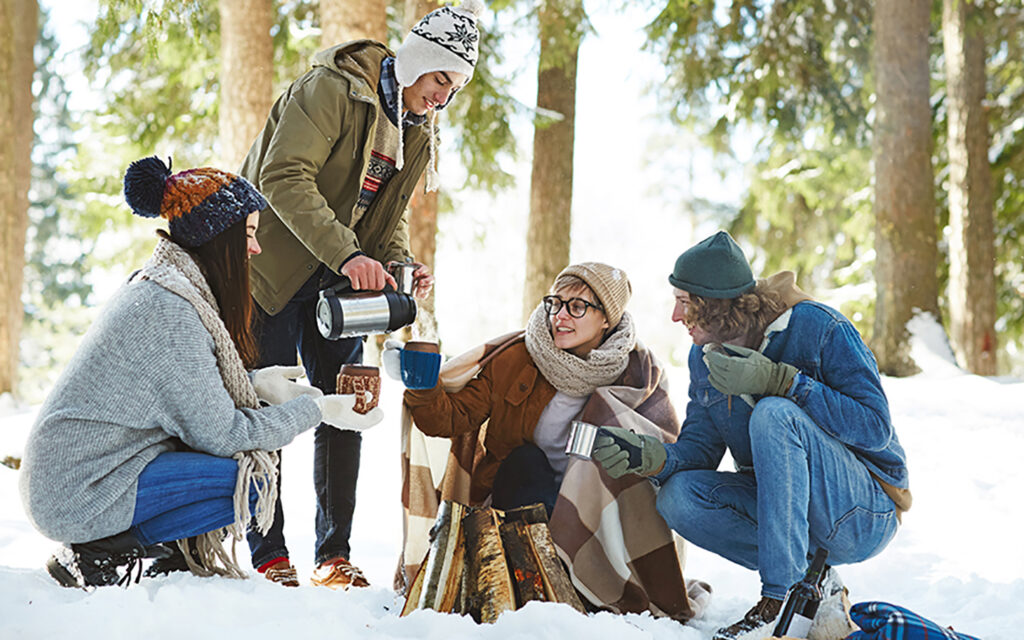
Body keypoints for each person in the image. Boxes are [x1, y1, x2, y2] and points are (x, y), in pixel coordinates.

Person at [18, 156, 380, 589]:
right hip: (77, 492)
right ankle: (100, 552)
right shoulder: (170, 311)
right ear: (219, 238)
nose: (256, 248)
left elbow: (183, 394)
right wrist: (316, 409)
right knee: (251, 481)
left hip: (76, 479)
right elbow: (223, 435)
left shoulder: (164, 288)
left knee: (231, 466)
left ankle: (145, 549)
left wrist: (255, 386)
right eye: (248, 234)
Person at [237, 0, 485, 590]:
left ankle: (334, 555)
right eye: (440, 80)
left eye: (455, 89)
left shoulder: (417, 130)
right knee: (268, 405)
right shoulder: (331, 89)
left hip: (338, 287)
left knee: (345, 408)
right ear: (419, 59)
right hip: (269, 271)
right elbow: (282, 177)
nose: (443, 97)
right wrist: (349, 255)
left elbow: (386, 217)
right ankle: (268, 552)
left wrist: (399, 266)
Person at [592, 231, 913, 640]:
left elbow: (875, 428)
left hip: (862, 511)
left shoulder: (818, 327)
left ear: (717, 305)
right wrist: (657, 458)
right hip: (787, 513)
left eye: (685, 302)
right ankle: (815, 584)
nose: (675, 316)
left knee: (774, 415)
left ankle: (778, 601)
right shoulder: (704, 355)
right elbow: (701, 449)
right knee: (679, 497)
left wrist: (786, 382)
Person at [398, 262, 710, 621]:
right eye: (556, 304)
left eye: (577, 307)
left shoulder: (638, 373)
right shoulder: (518, 357)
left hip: (598, 521)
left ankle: (586, 583)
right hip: (523, 506)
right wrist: (421, 385)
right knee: (525, 461)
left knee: (624, 458)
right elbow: (451, 418)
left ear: (606, 319)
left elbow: (663, 454)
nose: (561, 316)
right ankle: (531, 580)